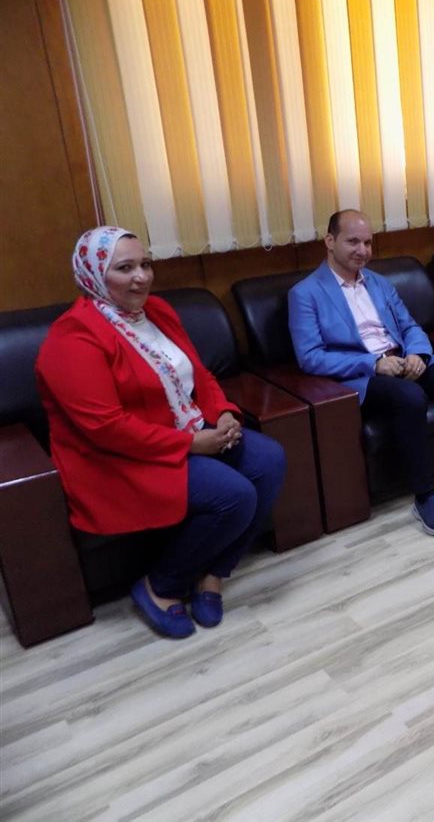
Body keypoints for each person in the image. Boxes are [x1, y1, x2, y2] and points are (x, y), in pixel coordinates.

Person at [36, 227, 286, 639]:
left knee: (269, 460)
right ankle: (161, 586)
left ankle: (212, 573)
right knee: (234, 495)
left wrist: (224, 412)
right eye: (125, 268)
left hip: (182, 428)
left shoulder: (158, 312)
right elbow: (106, 428)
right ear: (93, 274)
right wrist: (192, 444)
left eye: (146, 264)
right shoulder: (73, 338)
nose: (142, 277)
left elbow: (199, 374)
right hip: (118, 457)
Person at [288, 209, 434, 537]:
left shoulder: (380, 283)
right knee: (410, 397)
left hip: (404, 361)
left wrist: (417, 353)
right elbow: (310, 357)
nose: (362, 250)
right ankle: (425, 495)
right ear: (330, 241)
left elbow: (411, 326)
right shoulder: (305, 293)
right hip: (364, 376)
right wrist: (373, 363)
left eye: (368, 243)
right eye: (353, 242)